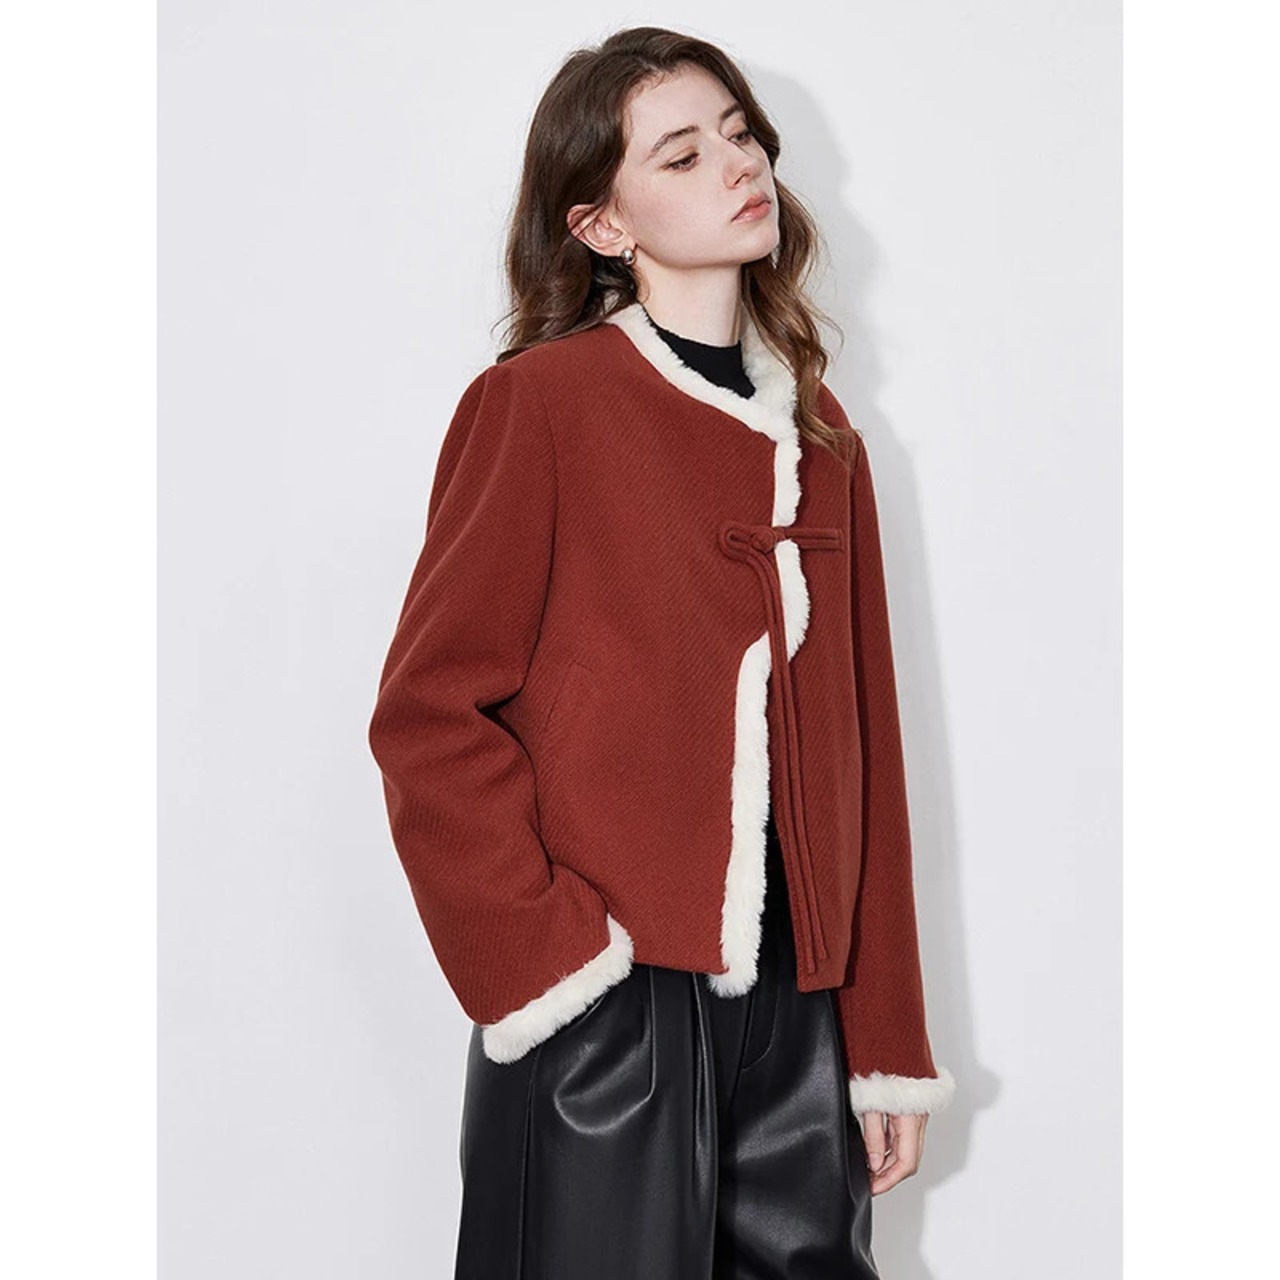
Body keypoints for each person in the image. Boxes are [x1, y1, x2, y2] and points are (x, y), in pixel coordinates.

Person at [367, 25, 955, 1279]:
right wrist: (550, 962)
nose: (736, 166)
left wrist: (882, 1042)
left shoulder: (824, 437)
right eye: (680, 156)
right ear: (600, 224)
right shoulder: (538, 406)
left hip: (799, 1017)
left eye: (739, 135)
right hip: (610, 1004)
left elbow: (865, 753)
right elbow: (427, 715)